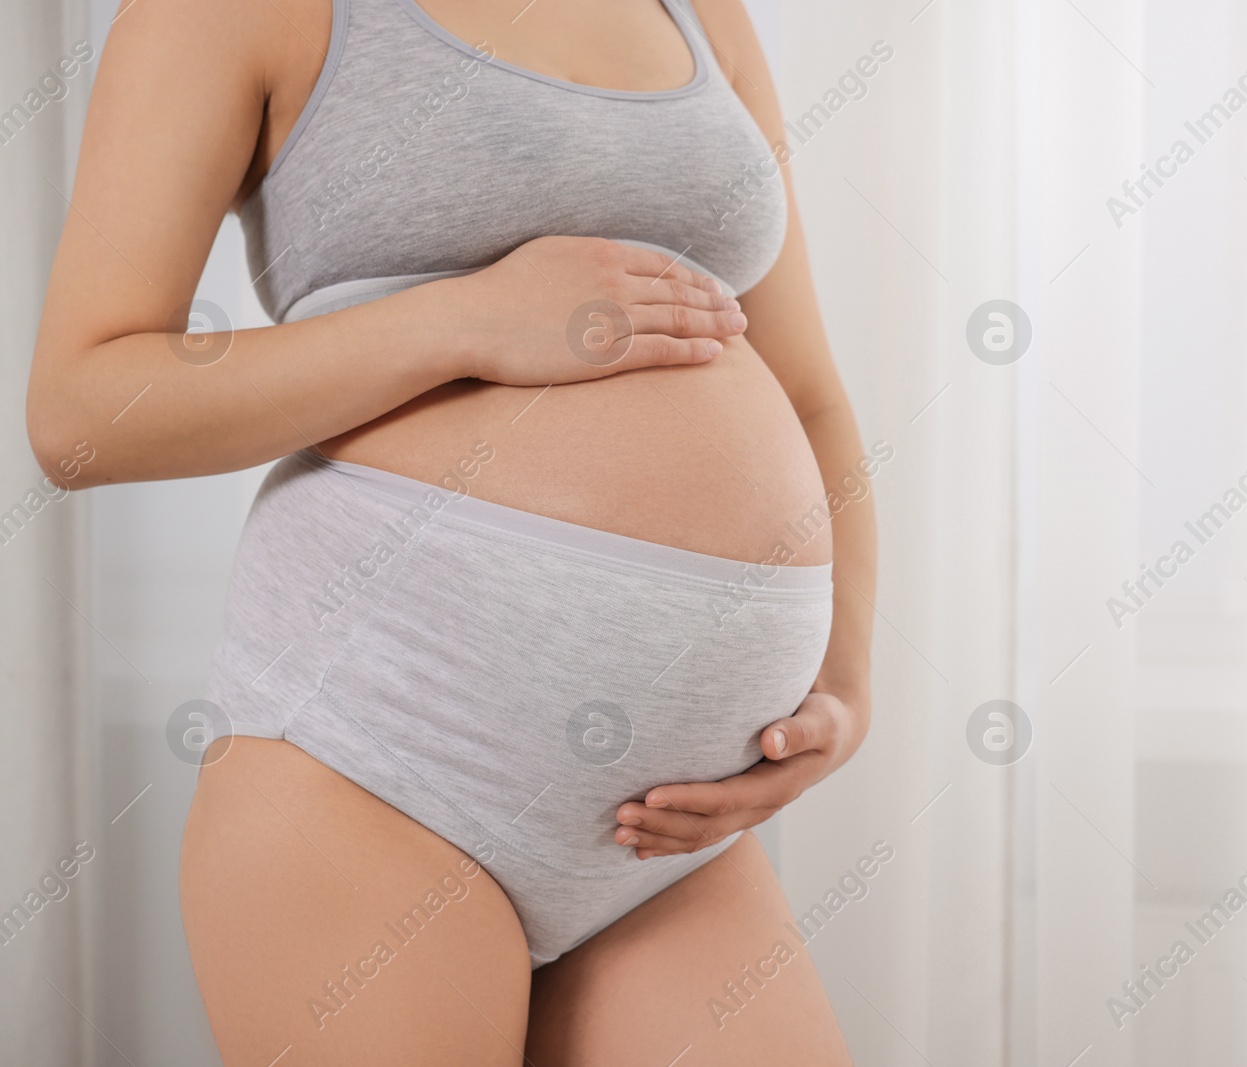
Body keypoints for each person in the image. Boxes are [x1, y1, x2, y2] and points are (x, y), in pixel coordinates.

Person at [25, 1, 875, 1062]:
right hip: (383, 760)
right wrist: (462, 319)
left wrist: (843, 680)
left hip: (669, 832)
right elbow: (81, 415)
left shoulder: (698, 12)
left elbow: (812, 396)